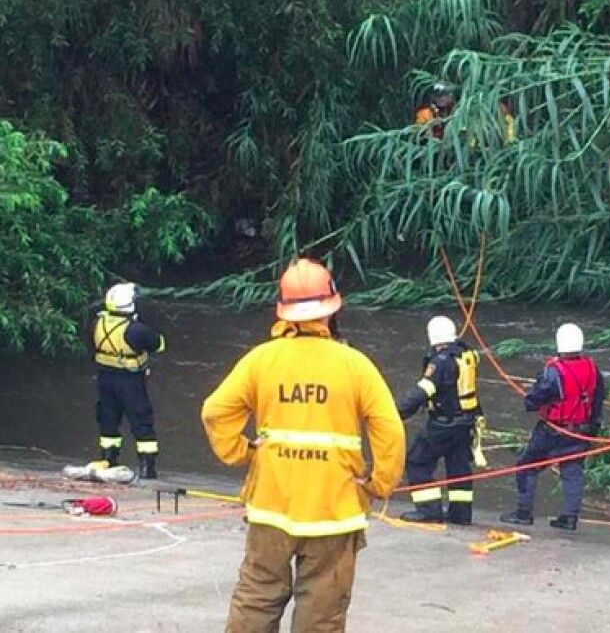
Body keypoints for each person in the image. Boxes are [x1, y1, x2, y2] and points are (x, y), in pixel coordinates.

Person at [201, 258, 405, 633]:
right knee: (322, 612)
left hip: (271, 508)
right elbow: (389, 428)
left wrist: (244, 453)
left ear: (284, 311)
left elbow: (215, 411)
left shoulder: (262, 359)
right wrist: (379, 483)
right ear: (331, 308)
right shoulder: (355, 364)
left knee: (257, 599)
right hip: (334, 511)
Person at [500, 323, 605, 531]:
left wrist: (529, 400)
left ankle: (523, 513)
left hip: (553, 430)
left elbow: (534, 400)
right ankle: (569, 518)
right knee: (572, 471)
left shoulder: (553, 372)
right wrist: (592, 429)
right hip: (582, 431)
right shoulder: (593, 369)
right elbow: (598, 399)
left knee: (526, 466)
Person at [396, 315, 483, 525]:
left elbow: (423, 391)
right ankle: (461, 514)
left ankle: (429, 510)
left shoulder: (441, 362)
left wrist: (397, 413)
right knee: (459, 466)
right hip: (466, 422)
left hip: (444, 424)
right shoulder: (466, 354)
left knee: (418, 461)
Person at [92, 282, 165, 479]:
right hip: (130, 381)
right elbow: (158, 345)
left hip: (105, 379)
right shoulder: (136, 330)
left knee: (108, 420)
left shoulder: (97, 323)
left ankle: (108, 459)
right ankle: (147, 468)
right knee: (141, 421)